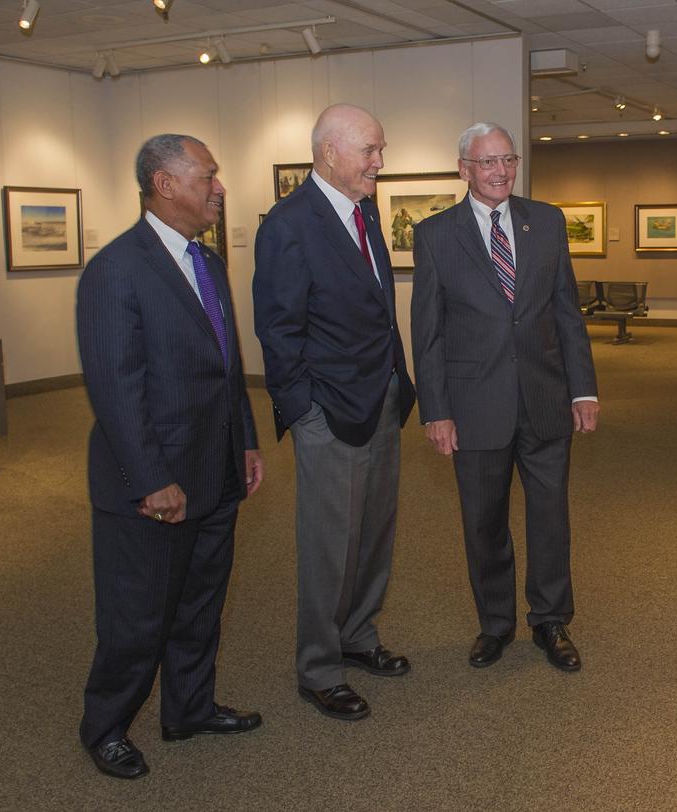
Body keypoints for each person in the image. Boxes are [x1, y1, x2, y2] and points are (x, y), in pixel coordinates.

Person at [76, 134, 264, 780]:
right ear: (165, 184)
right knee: (137, 617)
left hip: (215, 470)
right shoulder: (116, 269)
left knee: (200, 604)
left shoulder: (208, 263)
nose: (219, 186)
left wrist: (245, 439)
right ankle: (104, 728)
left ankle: (189, 708)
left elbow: (225, 367)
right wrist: (153, 479)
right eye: (208, 175)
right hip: (151, 486)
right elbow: (115, 388)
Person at [410, 122, 598, 673]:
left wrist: (583, 389)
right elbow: (429, 333)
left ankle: (550, 620)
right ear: (464, 168)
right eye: (487, 162)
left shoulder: (547, 221)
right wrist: (436, 410)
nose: (500, 171)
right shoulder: (436, 234)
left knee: (550, 517)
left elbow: (566, 310)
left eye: (508, 160)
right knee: (483, 522)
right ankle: (494, 623)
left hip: (545, 398)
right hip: (474, 407)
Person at [253, 104, 415, 721]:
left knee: (374, 534)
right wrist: (303, 413)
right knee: (329, 544)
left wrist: (400, 384)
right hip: (328, 412)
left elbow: (376, 307)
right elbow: (278, 329)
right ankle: (319, 667)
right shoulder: (289, 225)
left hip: (381, 401)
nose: (380, 161)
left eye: (381, 149)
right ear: (328, 153)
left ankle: (358, 637)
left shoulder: (364, 210)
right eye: (370, 151)